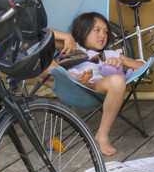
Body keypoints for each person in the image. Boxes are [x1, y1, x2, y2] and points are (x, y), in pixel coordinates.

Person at [50, 11, 142, 158]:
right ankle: (77, 78)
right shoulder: (74, 46)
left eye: (106, 32)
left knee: (118, 81)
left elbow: (142, 66)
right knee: (43, 59)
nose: (103, 35)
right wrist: (67, 38)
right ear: (82, 31)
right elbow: (42, 35)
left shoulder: (109, 54)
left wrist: (122, 61)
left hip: (96, 86)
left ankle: (102, 134)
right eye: (97, 30)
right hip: (72, 83)